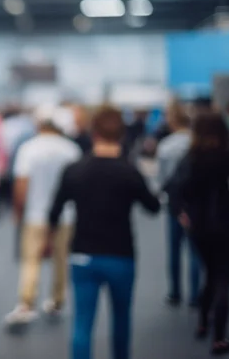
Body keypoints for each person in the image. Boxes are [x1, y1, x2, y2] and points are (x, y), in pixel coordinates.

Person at [48, 106, 161, 359]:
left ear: (93, 132)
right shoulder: (130, 171)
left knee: (82, 325)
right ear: (122, 134)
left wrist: (49, 239)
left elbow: (54, 211)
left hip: (82, 255)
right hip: (121, 255)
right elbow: (153, 207)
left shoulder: (75, 169)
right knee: (121, 321)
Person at [164, 112, 229, 356]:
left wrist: (181, 213)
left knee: (210, 275)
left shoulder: (190, 158)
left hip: (199, 227)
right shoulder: (225, 156)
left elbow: (173, 188)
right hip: (225, 225)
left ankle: (203, 322)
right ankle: (219, 338)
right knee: (223, 278)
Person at [4, 106, 82, 325]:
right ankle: (57, 301)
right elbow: (77, 186)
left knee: (31, 261)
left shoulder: (29, 148)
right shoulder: (71, 149)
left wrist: (18, 212)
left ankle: (27, 304)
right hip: (66, 216)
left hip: (35, 214)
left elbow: (21, 185)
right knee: (61, 259)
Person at [156, 101, 201, 307]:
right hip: (194, 203)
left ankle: (175, 292)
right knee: (194, 250)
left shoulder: (165, 146)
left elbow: (162, 180)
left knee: (174, 249)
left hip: (173, 204)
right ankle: (195, 294)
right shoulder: (196, 142)